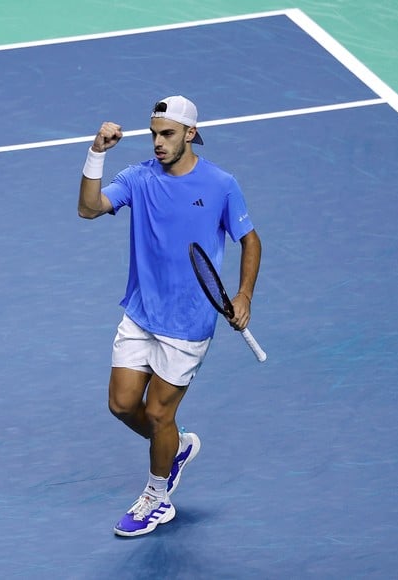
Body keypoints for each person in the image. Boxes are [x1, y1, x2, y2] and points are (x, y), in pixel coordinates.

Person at [77, 95, 262, 537]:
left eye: (167, 134)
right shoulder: (139, 178)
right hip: (141, 312)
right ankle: (174, 447)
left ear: (190, 134)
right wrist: (96, 154)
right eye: (154, 134)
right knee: (122, 405)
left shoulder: (221, 184)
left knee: (159, 415)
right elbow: (88, 208)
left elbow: (250, 242)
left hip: (188, 323)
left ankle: (157, 497)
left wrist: (244, 295)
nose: (158, 143)